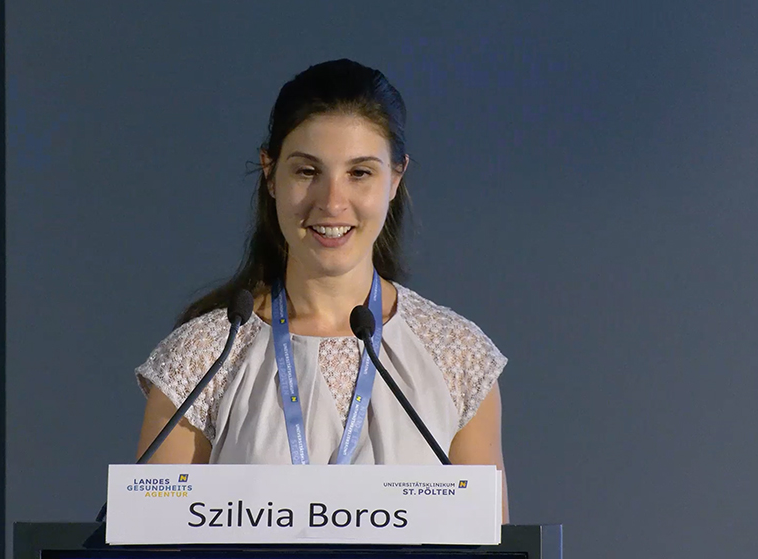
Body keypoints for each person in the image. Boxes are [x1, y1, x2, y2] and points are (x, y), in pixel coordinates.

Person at [134, 59, 509, 521]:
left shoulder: (458, 357)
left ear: (396, 178)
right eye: (308, 171)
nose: (332, 203)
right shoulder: (204, 357)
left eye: (360, 173)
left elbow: (491, 543)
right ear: (270, 174)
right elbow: (152, 539)